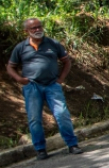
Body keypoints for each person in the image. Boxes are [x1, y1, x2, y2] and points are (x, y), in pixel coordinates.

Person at [6, 18, 83, 159]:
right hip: (32, 87)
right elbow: (10, 67)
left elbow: (66, 61)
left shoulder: (52, 43)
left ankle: (72, 145)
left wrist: (60, 79)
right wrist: (19, 79)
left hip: (52, 85)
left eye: (39, 27)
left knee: (62, 114)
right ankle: (40, 150)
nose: (37, 30)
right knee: (34, 118)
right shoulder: (21, 47)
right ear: (26, 31)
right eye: (33, 28)